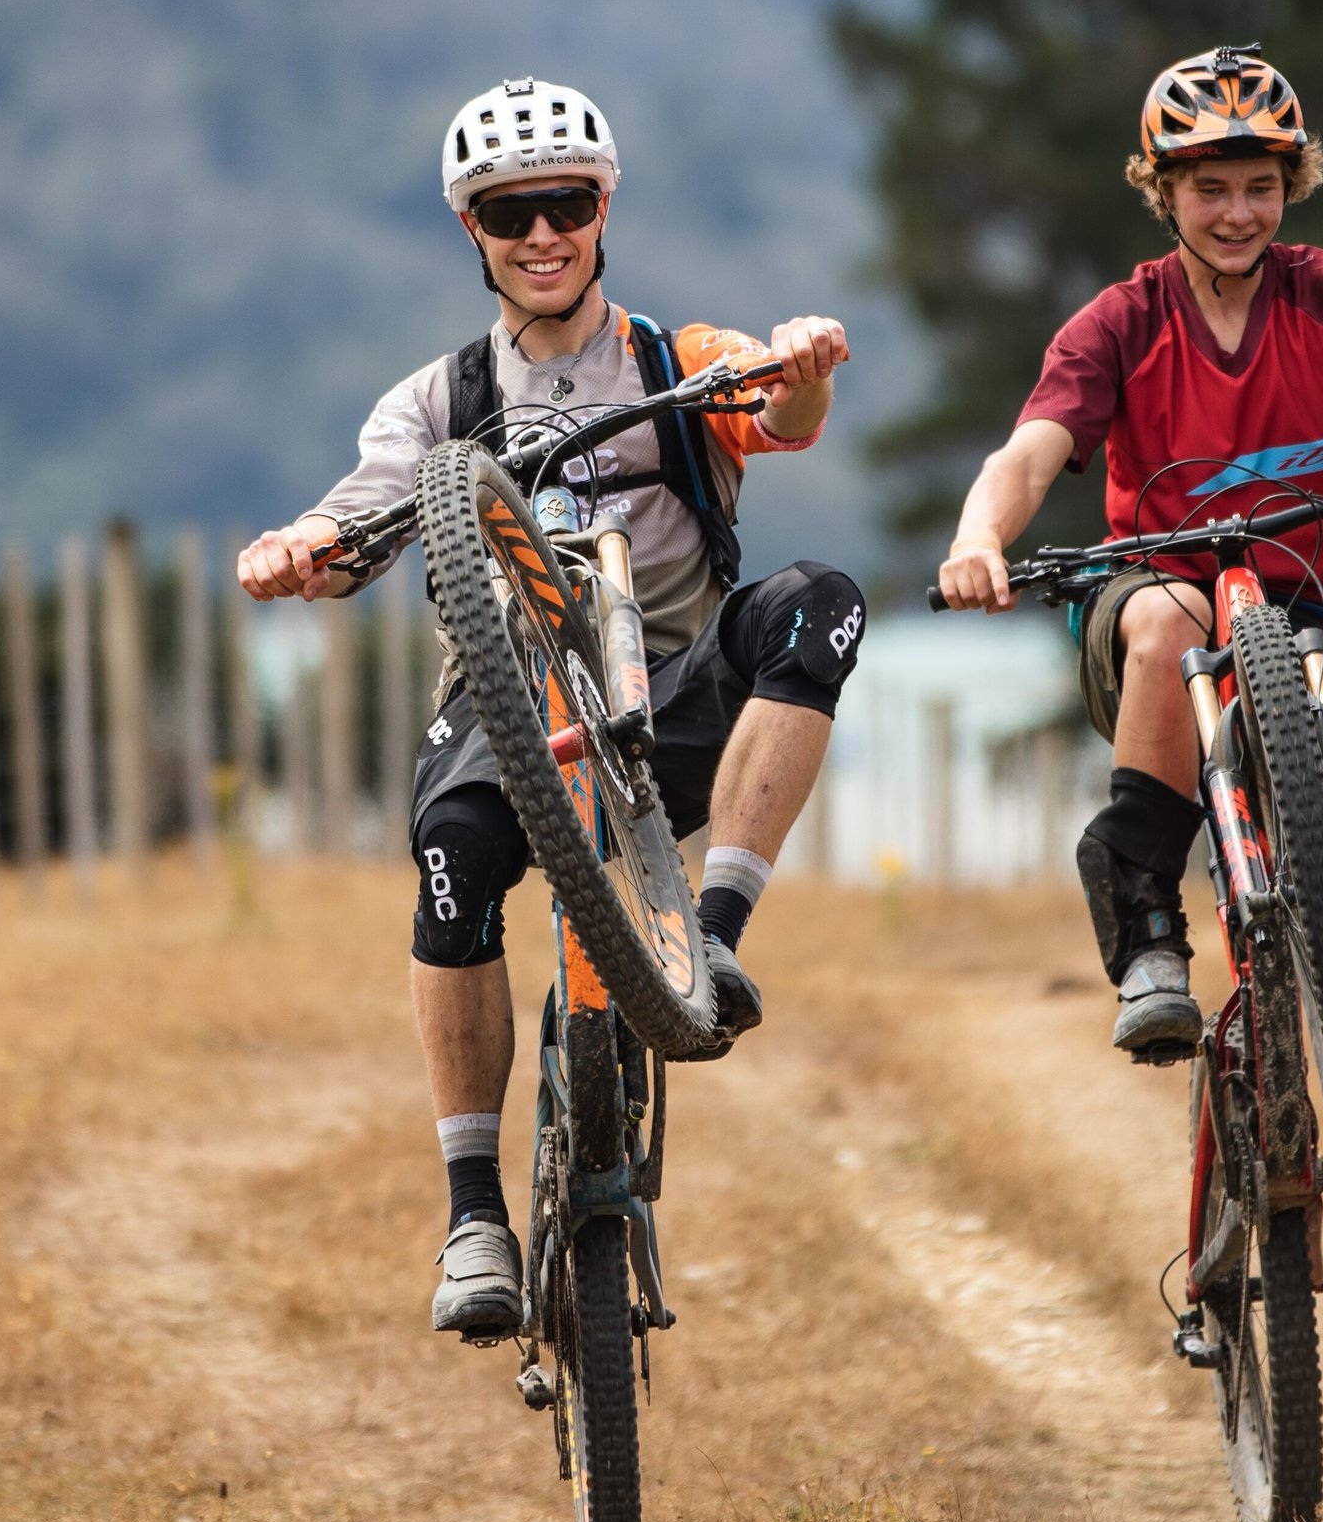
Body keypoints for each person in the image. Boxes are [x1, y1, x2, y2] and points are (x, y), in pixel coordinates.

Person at [239, 77, 863, 1338]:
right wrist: (295, 547)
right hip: (507, 711)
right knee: (450, 863)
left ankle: (713, 937)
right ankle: (474, 1213)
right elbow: (356, 514)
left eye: (566, 204)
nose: (542, 234)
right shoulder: (437, 400)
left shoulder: (675, 362)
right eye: (509, 211)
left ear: (603, 208)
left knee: (820, 603)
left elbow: (776, 407)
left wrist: (802, 363)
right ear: (469, 228)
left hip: (672, 692)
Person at [936, 44, 1323, 1313]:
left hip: (1306, 624)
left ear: (1291, 184)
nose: (1237, 210)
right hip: (1153, 618)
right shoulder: (1120, 320)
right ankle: (1146, 922)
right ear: (1163, 191)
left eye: (1259, 184)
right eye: (1208, 186)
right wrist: (980, 537)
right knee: (1171, 614)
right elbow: (1027, 454)